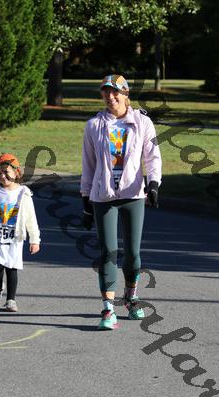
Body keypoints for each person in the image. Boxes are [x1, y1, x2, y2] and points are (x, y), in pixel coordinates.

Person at [80, 74, 162, 330]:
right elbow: (88, 164)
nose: (110, 97)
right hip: (103, 196)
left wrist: (154, 183)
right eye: (106, 92)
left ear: (126, 94)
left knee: (133, 253)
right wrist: (85, 198)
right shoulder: (94, 125)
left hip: (133, 194)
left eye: (115, 92)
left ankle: (131, 297)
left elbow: (152, 156)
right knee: (108, 252)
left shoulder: (142, 122)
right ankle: (107, 308)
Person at [0, 154, 40, 312]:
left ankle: (11, 300)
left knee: (12, 268)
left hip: (15, 238)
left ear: (16, 172)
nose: (3, 176)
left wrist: (35, 240)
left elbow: (31, 219)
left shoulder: (23, 193)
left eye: (6, 172)